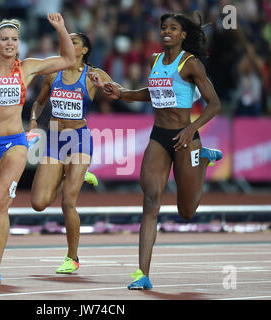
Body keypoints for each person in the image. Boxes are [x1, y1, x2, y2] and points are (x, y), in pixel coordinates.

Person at [89, 12, 223, 289]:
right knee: (150, 201)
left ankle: (202, 160)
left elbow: (215, 104)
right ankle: (143, 274)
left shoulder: (190, 64)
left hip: (185, 138)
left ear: (183, 34)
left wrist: (190, 129)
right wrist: (123, 93)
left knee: (187, 212)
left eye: (173, 28)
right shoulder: (154, 60)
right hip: (160, 136)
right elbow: (153, 93)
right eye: (164, 27)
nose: (167, 31)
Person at [0, 13, 76, 284]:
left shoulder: (28, 68)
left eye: (14, 39)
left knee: (1, 202)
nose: (10, 43)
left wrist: (61, 28)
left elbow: (68, 60)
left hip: (15, 143)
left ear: (19, 43)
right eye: (5, 39)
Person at [27, 32, 115, 274]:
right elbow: (38, 102)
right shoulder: (53, 72)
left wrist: (104, 86)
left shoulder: (93, 74)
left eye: (74, 41)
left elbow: (119, 92)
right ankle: (72, 175)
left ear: (85, 50)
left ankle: (72, 257)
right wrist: (34, 120)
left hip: (79, 140)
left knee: (68, 202)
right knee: (39, 203)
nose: (69, 43)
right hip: (55, 140)